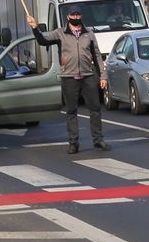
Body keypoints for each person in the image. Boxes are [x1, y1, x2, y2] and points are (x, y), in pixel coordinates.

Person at [27, 9, 109, 154]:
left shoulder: (88, 34)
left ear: (81, 16)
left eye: (78, 15)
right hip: (69, 77)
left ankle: (98, 140)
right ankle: (73, 143)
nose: (75, 17)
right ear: (68, 17)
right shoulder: (60, 33)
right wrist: (34, 27)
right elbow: (42, 40)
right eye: (73, 15)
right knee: (71, 111)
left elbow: (96, 55)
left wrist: (103, 76)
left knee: (95, 109)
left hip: (88, 75)